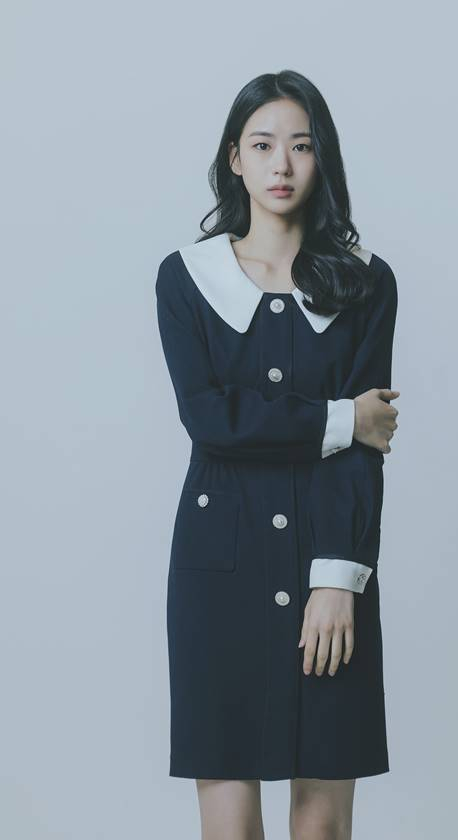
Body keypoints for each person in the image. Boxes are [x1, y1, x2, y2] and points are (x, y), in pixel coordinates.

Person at [155, 69, 400, 840]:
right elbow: (210, 421)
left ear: (322, 157)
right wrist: (342, 417)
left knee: (321, 827)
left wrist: (339, 578)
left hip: (329, 568)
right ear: (235, 158)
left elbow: (367, 455)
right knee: (229, 828)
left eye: (300, 145)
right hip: (218, 572)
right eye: (262, 146)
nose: (282, 165)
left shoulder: (366, 284)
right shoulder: (187, 279)